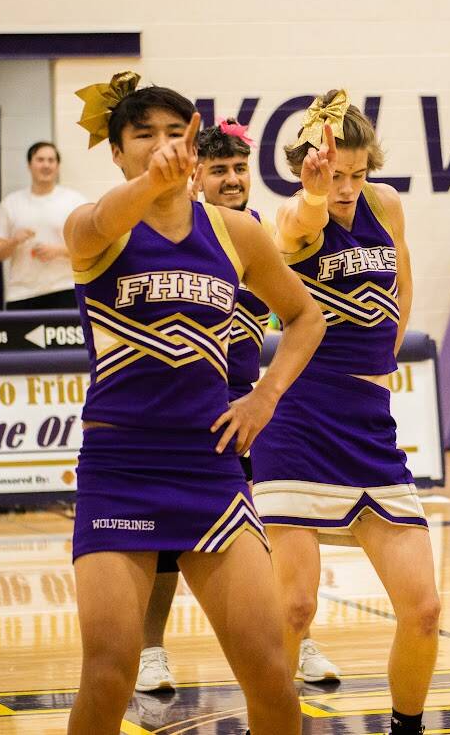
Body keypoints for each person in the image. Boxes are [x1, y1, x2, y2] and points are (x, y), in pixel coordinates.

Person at [65, 71, 325, 735]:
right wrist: (150, 183)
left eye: (174, 133)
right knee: (107, 675)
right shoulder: (92, 227)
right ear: (116, 151)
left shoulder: (236, 233)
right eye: (143, 134)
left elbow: (305, 318)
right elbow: (104, 217)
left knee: (270, 674)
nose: (161, 145)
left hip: (209, 466)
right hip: (119, 468)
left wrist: (264, 397)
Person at [251, 90, 441, 735]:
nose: (349, 188)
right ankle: (270, 724)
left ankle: (405, 729)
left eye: (358, 174)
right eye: (336, 176)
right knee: (295, 607)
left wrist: (387, 353)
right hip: (300, 417)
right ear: (311, 169)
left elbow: (403, 281)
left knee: (423, 609)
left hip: (368, 419)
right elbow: (298, 227)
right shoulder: (293, 216)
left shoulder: (385, 205)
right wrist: (312, 194)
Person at [136, 119, 341, 694]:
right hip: (184, 411)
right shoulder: (174, 236)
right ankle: (152, 651)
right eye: (219, 169)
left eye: (238, 169)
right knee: (166, 545)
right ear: (195, 175)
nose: (231, 179)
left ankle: (297, 635)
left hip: (253, 408)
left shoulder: (261, 234)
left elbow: (302, 298)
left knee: (281, 530)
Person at [0, 142, 86, 309]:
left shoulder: (74, 201)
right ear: (29, 165)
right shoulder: (11, 203)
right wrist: (14, 241)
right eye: (40, 160)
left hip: (64, 289)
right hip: (21, 293)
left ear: (57, 166)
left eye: (51, 160)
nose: (46, 165)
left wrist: (59, 251)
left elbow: (90, 248)